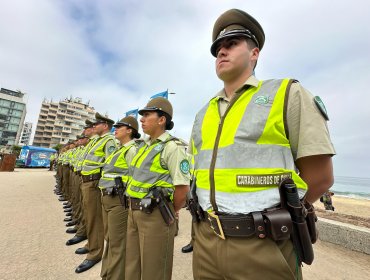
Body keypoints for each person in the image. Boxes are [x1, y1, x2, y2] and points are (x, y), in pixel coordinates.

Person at [189, 9, 335, 280]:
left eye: (231, 44)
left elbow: (320, 178)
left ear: (254, 53)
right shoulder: (202, 114)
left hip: (263, 245)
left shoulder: (286, 94)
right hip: (206, 242)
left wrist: (278, 217)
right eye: (218, 48)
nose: (221, 52)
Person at [125, 97, 190, 280]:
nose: (141, 119)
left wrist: (172, 210)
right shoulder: (144, 146)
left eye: (147, 115)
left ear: (162, 120)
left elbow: (182, 187)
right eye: (142, 115)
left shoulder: (172, 147)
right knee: (132, 267)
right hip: (133, 212)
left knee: (154, 271)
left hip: (154, 215)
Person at [99, 116, 141, 280]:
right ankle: (107, 274)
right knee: (110, 240)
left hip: (119, 201)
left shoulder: (131, 150)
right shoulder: (118, 149)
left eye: (119, 127)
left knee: (118, 244)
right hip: (107, 198)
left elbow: (134, 177)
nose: (115, 129)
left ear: (129, 130)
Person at [75, 113, 117, 273]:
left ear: (105, 125)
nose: (93, 127)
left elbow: (110, 164)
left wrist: (102, 185)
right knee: (89, 215)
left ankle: (95, 253)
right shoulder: (97, 141)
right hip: (87, 181)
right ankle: (91, 244)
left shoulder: (109, 141)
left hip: (95, 183)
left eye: (96, 124)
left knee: (95, 218)